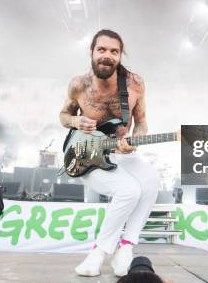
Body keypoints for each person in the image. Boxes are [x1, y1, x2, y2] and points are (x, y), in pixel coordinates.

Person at [59, 29, 160, 277]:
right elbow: (63, 116)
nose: (107, 55)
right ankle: (98, 253)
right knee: (129, 190)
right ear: (92, 52)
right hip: (87, 157)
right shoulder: (78, 84)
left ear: (120, 55)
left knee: (151, 182)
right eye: (101, 49)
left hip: (122, 152)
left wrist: (135, 139)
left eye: (114, 51)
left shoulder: (135, 83)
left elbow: (142, 122)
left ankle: (126, 247)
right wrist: (75, 122)